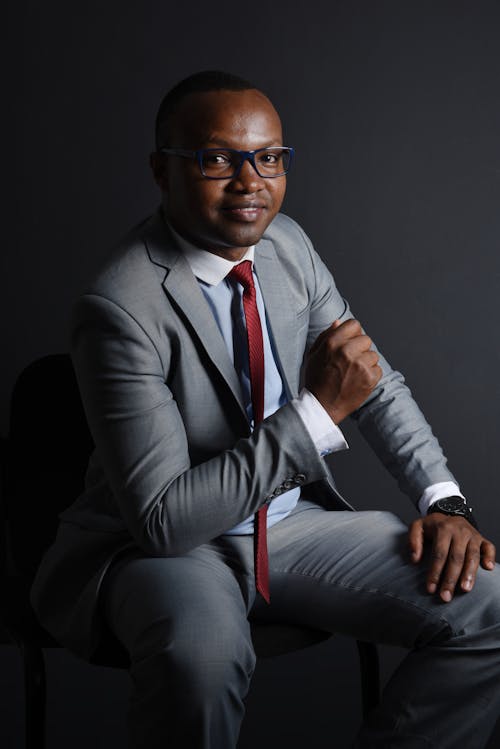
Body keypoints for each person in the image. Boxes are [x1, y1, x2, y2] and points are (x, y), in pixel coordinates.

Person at [31, 70, 500, 748]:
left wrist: (445, 501)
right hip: (168, 548)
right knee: (200, 657)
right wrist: (316, 413)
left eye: (270, 157)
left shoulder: (287, 248)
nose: (251, 181)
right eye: (218, 158)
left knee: (487, 605)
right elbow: (164, 520)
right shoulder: (118, 306)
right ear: (162, 170)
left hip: (287, 526)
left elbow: (372, 379)